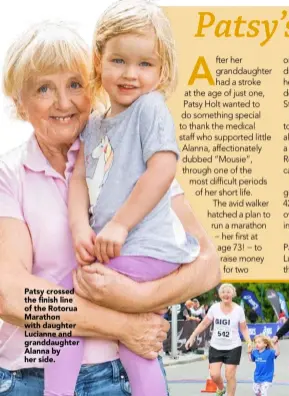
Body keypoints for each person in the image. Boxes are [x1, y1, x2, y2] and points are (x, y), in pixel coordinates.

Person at [0, 20, 220, 396]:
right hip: (31, 378)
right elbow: (11, 295)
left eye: (74, 84)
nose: (63, 102)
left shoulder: (135, 159)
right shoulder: (9, 174)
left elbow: (208, 264)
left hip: (123, 376)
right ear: (20, 105)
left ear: (94, 86)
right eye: (43, 89)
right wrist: (125, 326)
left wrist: (141, 298)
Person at [47, 1, 200, 395]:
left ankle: (56, 391)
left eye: (145, 64)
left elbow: (163, 169)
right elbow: (79, 177)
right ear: (98, 61)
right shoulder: (95, 124)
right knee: (135, 345)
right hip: (119, 248)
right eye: (118, 60)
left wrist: (119, 223)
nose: (131, 74)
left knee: (60, 304)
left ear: (162, 69)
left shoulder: (150, 108)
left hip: (146, 247)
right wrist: (81, 226)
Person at [185, 283, 252, 396]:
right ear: (220, 295)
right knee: (214, 375)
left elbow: (244, 329)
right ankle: (221, 388)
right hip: (216, 346)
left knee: (230, 375)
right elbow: (204, 323)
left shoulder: (239, 310)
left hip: (233, 346)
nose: (226, 294)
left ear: (233, 294)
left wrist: (249, 342)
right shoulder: (214, 308)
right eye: (223, 292)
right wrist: (192, 336)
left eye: (228, 292)